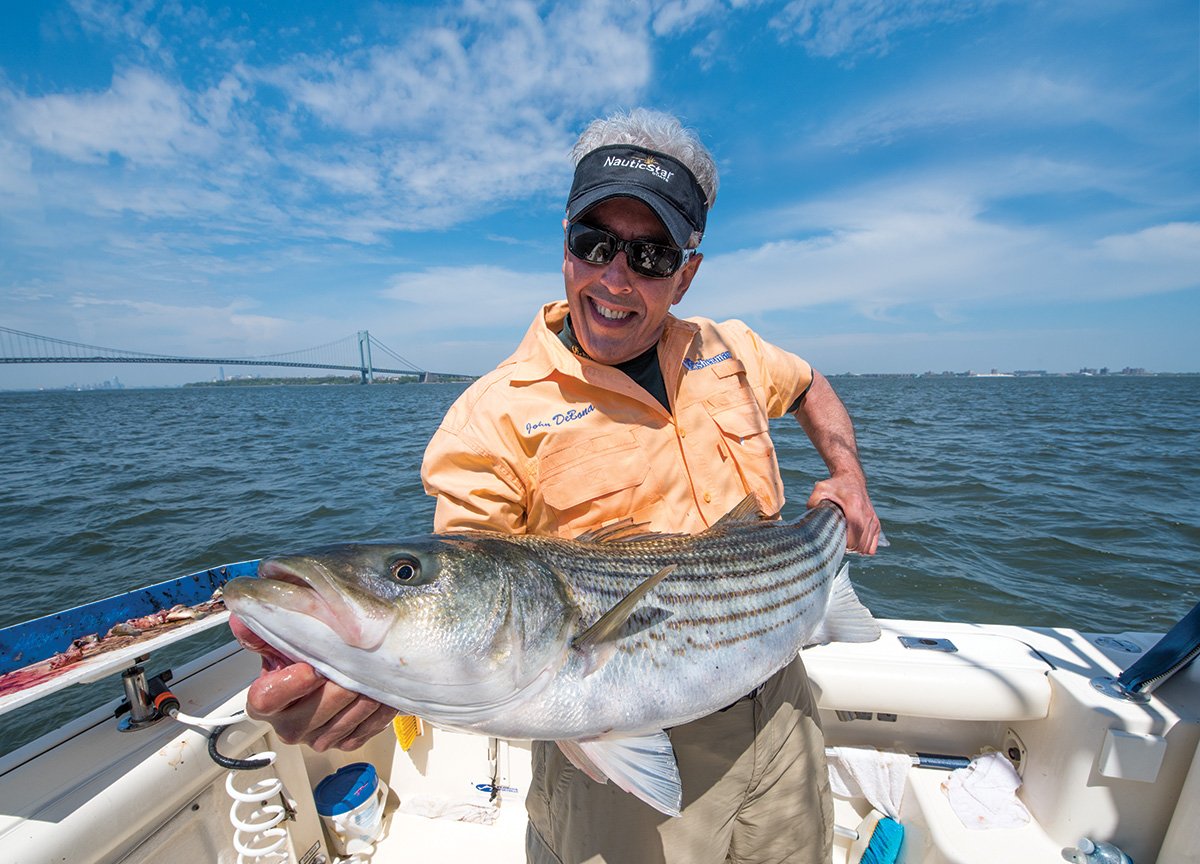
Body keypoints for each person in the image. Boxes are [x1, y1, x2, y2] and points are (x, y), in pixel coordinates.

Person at [231, 108, 881, 864]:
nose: (614, 277)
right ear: (564, 243)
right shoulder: (493, 416)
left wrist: (848, 478)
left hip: (782, 710)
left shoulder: (728, 349)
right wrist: (382, 680)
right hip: (608, 766)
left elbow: (810, 388)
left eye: (649, 254)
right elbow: (463, 602)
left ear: (687, 271)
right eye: (594, 243)